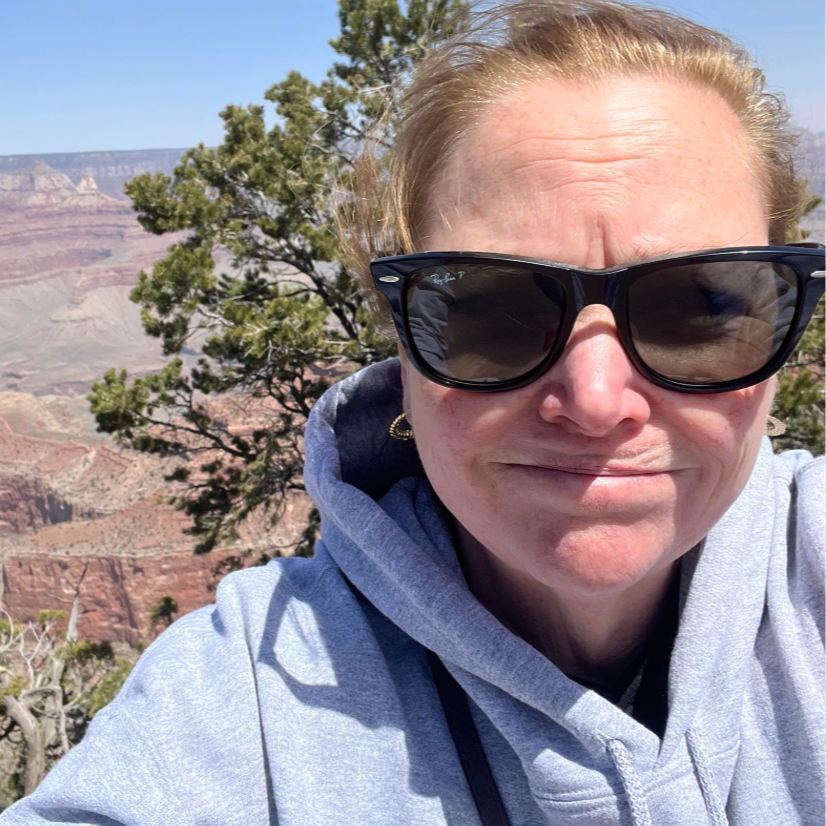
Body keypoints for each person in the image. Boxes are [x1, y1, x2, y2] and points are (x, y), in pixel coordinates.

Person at [4, 1, 826, 824]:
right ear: (398, 337)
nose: (596, 401)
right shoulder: (250, 695)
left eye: (697, 308)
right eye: (492, 311)